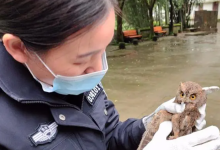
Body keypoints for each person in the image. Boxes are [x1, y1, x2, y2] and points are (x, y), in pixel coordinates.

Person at [0, 1, 219, 150]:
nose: (98, 70)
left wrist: (150, 125)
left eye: (104, 50)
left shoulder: (83, 80)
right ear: (19, 48)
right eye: (82, 59)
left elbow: (110, 136)